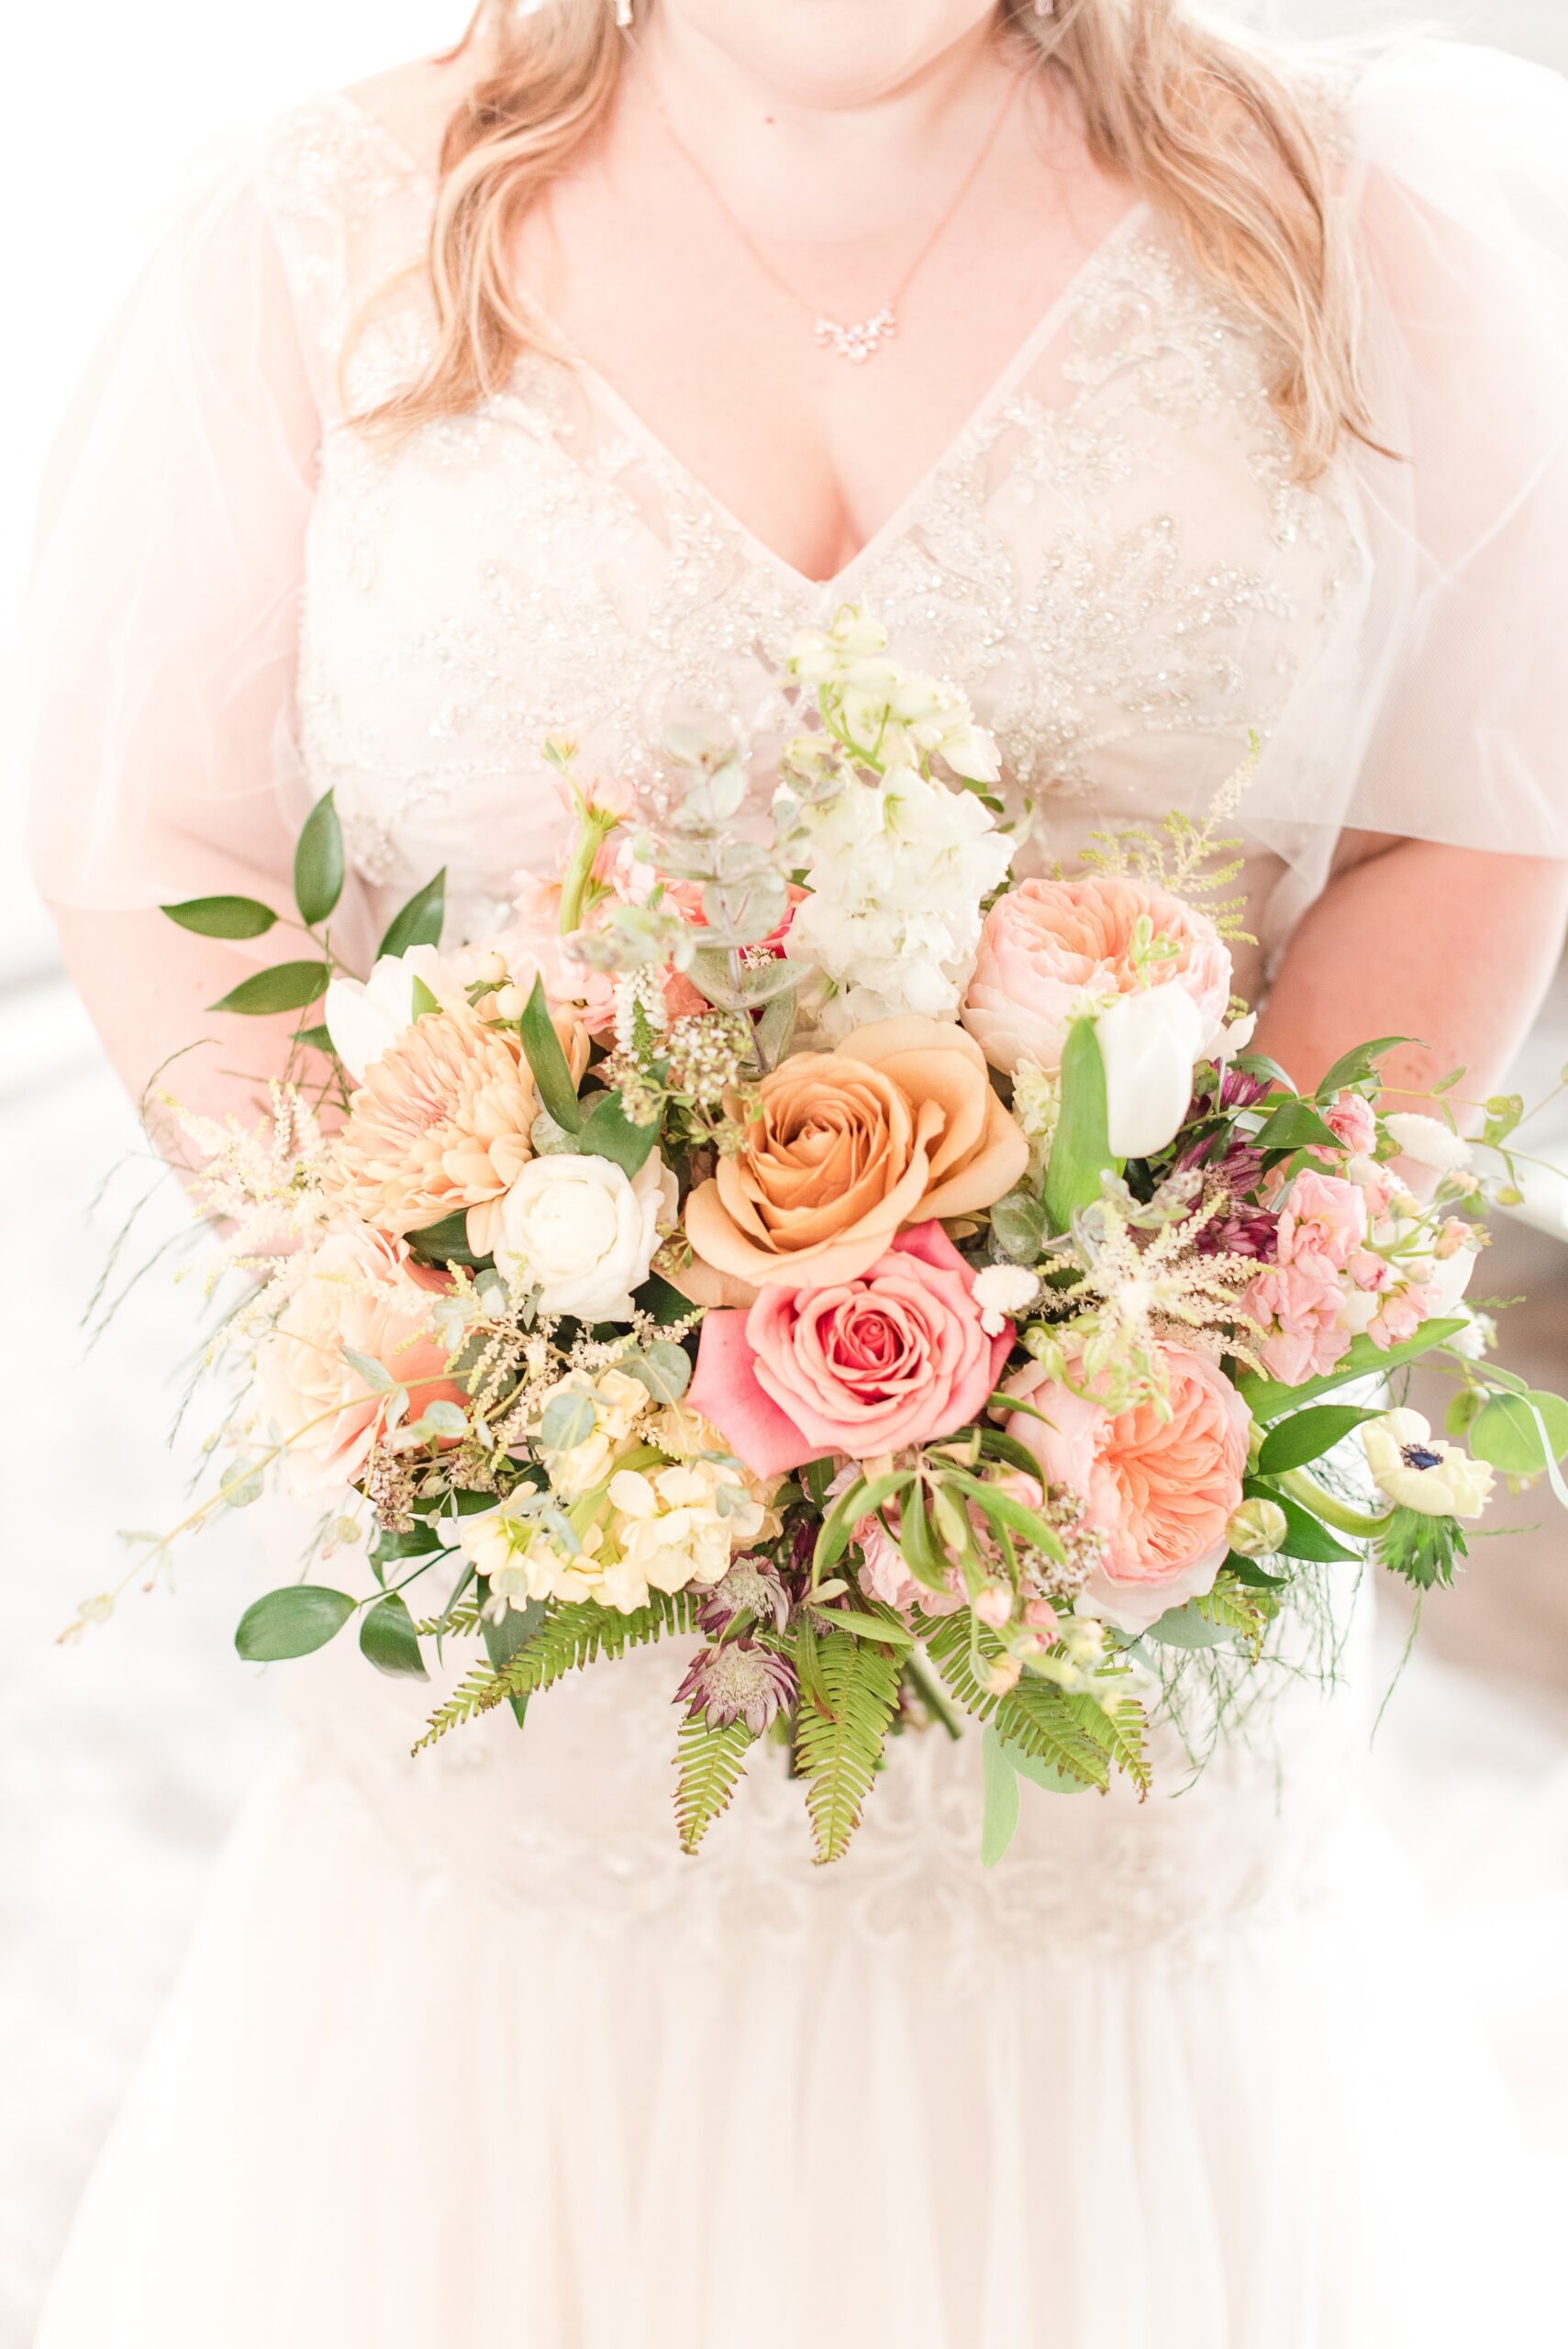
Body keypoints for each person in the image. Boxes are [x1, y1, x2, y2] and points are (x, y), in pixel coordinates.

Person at [25, 3, 1568, 2341]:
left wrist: (1221, 1299)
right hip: (539, 1582)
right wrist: (433, 1307)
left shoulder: (1356, 216)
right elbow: (164, 830)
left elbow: (1471, 794)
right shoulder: (325, 235)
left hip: (1117, 1566)